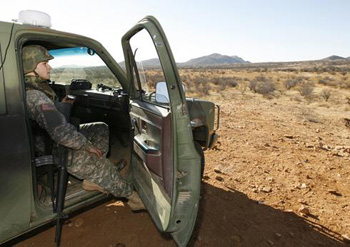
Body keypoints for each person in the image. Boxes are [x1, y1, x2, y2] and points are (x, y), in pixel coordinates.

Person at [23, 45, 144, 211]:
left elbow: (48, 120)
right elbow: (62, 134)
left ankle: (92, 178)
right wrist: (87, 146)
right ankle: (132, 197)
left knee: (100, 128)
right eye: (44, 63)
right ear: (30, 67)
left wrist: (62, 106)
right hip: (50, 147)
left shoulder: (35, 88)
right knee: (100, 164)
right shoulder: (34, 95)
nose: (49, 67)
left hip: (46, 139)